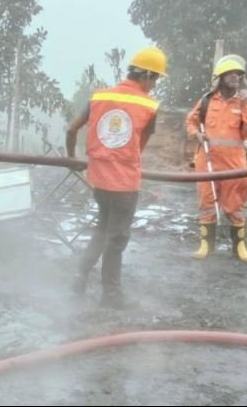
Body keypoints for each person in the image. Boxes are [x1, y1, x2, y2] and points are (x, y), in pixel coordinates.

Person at [66, 47, 166, 308]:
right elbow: (138, 147)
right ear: (144, 76)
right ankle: (110, 293)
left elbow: (71, 129)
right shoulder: (148, 106)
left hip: (99, 180)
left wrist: (72, 161)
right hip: (124, 183)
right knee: (117, 238)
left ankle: (79, 275)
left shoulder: (100, 96)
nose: (154, 86)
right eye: (154, 79)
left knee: (102, 229)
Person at [185, 55, 247, 261]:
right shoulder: (206, 100)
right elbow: (190, 122)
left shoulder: (246, 104)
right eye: (230, 74)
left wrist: (245, 104)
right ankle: (205, 247)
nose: (235, 77)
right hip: (207, 161)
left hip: (234, 164)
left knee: (235, 205)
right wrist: (196, 134)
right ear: (220, 77)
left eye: (238, 74)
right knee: (207, 203)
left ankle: (239, 249)